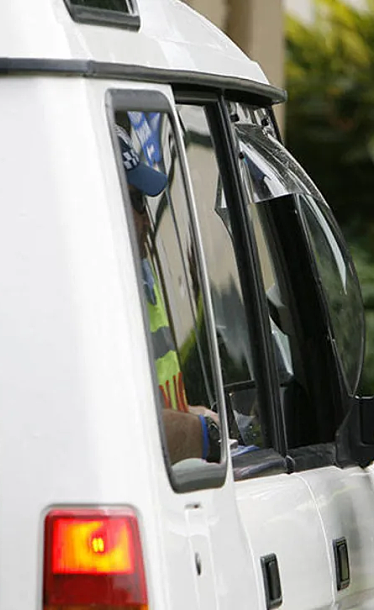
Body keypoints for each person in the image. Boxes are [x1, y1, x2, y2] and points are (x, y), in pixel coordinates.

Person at [118, 125, 221, 465]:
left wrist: (188, 412)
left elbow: (155, 402)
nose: (147, 219)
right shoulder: (99, 301)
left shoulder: (136, 277)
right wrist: (206, 435)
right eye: (135, 201)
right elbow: (128, 425)